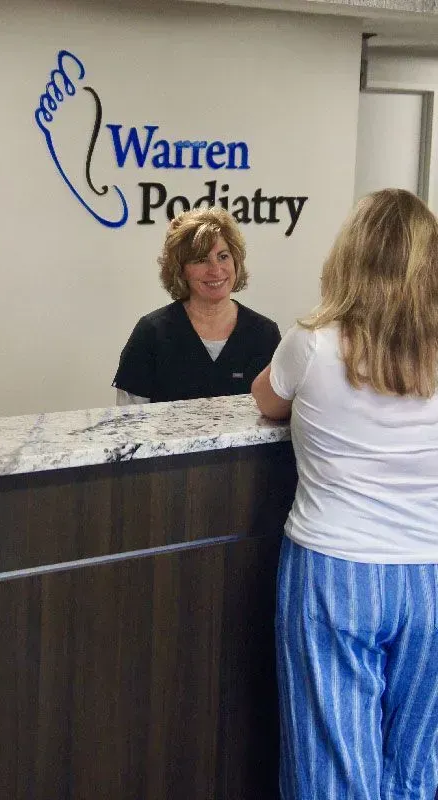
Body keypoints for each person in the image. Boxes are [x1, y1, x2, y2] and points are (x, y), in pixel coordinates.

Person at [251, 188, 438, 800]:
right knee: (417, 763)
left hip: (336, 573)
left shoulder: (312, 342)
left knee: (332, 763)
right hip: (430, 577)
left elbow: (265, 399)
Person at [113, 206, 281, 404]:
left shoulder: (264, 334)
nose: (216, 270)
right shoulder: (151, 333)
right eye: (201, 260)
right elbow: (129, 423)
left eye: (223, 256)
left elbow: (278, 419)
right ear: (181, 270)